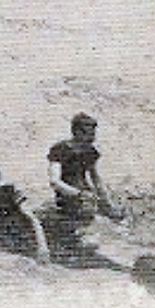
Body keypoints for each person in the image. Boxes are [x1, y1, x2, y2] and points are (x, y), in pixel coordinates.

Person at [40, 112, 125, 267]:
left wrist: (107, 201)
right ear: (77, 131)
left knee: (115, 216)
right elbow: (54, 181)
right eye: (89, 131)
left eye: (94, 131)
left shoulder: (90, 152)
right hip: (69, 198)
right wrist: (78, 194)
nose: (93, 136)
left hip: (86, 197)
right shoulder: (61, 150)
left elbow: (96, 179)